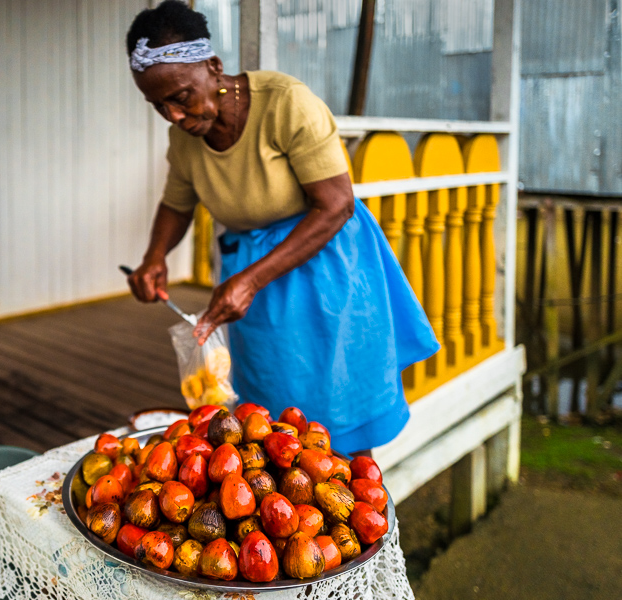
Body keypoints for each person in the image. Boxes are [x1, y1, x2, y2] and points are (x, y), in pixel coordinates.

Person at [124, 0, 439, 456]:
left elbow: (335, 205)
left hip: (321, 264)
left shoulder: (287, 103)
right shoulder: (184, 139)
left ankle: (357, 514)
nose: (173, 115)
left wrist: (249, 281)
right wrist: (154, 257)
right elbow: (177, 203)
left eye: (180, 96)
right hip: (251, 282)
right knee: (269, 425)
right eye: (158, 105)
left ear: (214, 68)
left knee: (336, 418)